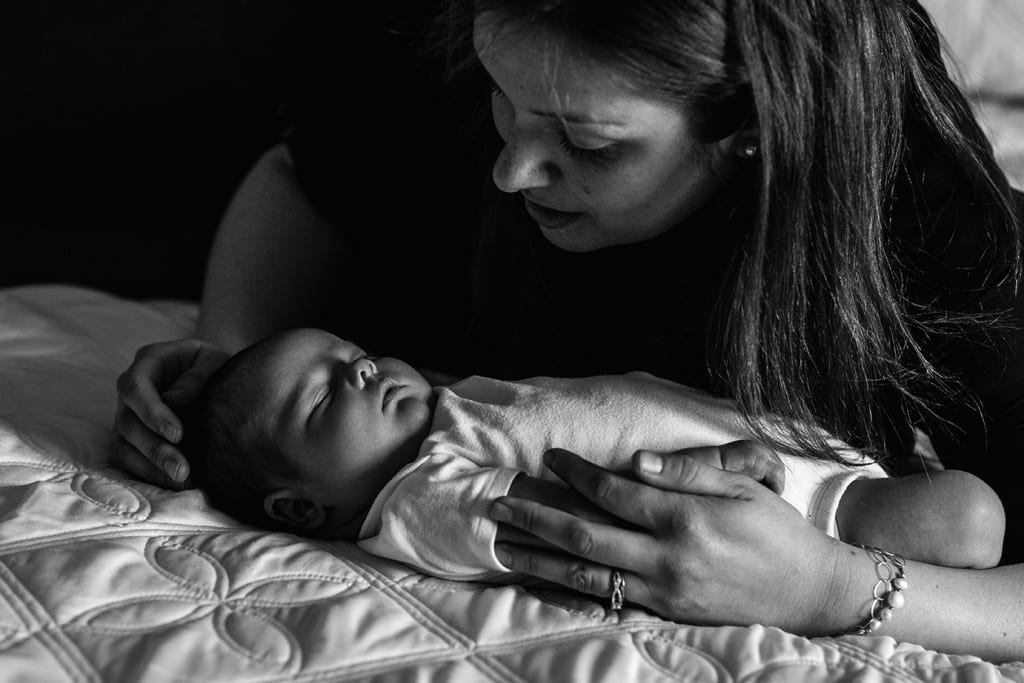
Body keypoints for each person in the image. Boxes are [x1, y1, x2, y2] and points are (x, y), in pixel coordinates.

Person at [112, 0, 1024, 662]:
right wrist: (236, 370)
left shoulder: (923, 216)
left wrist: (828, 586)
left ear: (752, 123)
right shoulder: (466, 33)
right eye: (500, 96)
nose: (512, 171)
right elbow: (310, 176)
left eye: (587, 144)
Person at [185, 327, 1002, 581]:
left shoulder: (447, 413)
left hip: (791, 454)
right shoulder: (420, 496)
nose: (362, 370)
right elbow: (565, 522)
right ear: (300, 506)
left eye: (353, 353)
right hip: (784, 515)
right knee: (970, 515)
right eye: (325, 396)